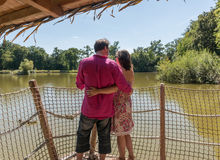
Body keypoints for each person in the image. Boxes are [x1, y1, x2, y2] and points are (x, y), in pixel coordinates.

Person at [75, 39, 132, 160]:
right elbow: (122, 84)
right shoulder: (112, 64)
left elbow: (79, 84)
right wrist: (129, 90)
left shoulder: (84, 62)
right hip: (105, 111)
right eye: (108, 48)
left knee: (82, 135)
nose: (109, 50)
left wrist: (87, 84)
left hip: (88, 110)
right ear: (105, 48)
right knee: (104, 138)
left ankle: (78, 158)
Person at [87, 50, 135, 160]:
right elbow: (130, 88)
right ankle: (131, 156)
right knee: (127, 133)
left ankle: (122, 157)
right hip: (127, 103)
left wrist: (97, 91)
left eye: (116, 57)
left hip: (119, 105)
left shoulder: (118, 70)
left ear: (118, 59)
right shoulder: (131, 69)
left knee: (120, 134)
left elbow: (114, 87)